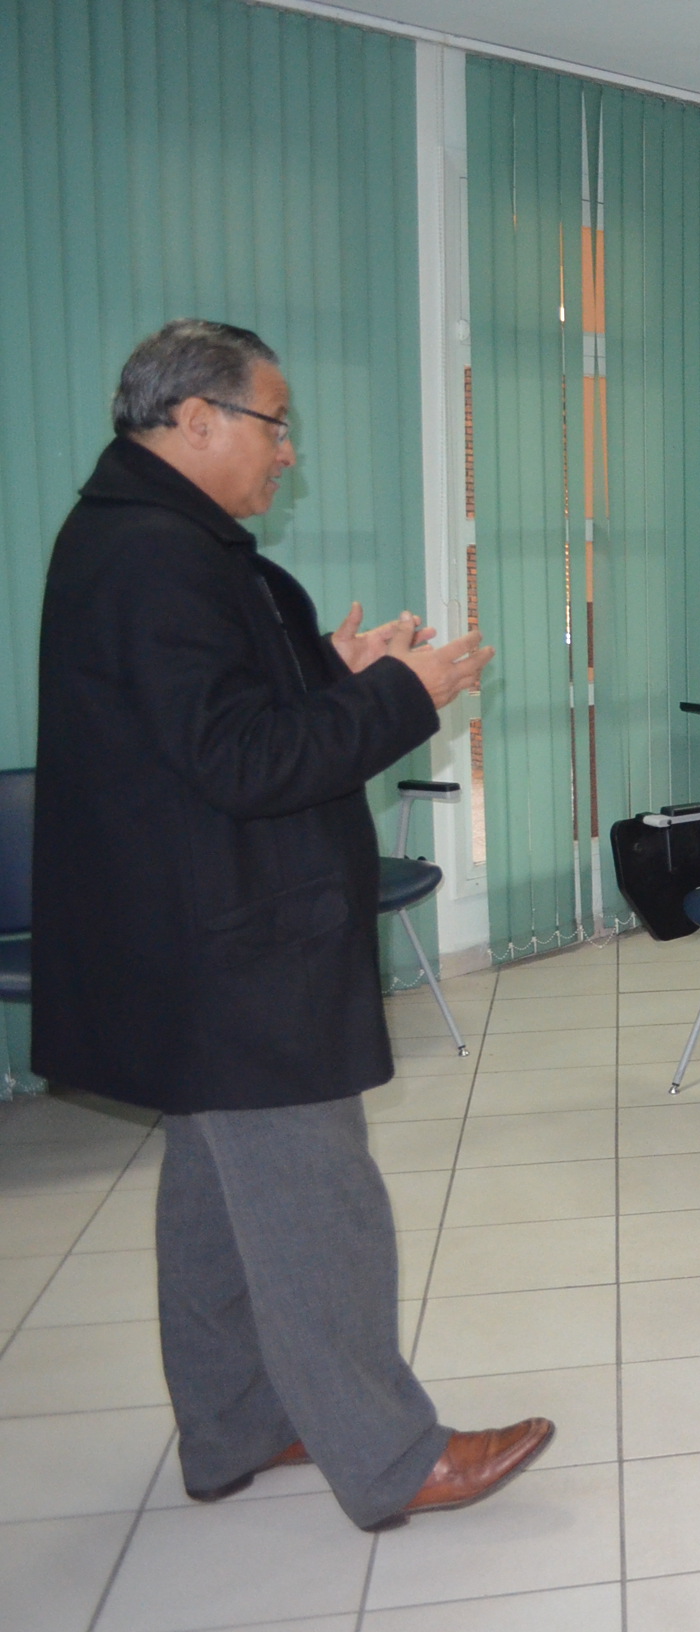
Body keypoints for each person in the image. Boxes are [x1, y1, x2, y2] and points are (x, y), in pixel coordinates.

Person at [32, 320, 547, 1532]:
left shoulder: (144, 540)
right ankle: (389, 1455)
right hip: (232, 948)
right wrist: (395, 699)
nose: (288, 450)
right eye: (274, 423)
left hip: (192, 937)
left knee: (214, 1204)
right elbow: (242, 761)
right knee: (321, 1203)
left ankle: (234, 1427)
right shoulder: (160, 557)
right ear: (196, 420)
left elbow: (198, 718)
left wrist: (328, 666)